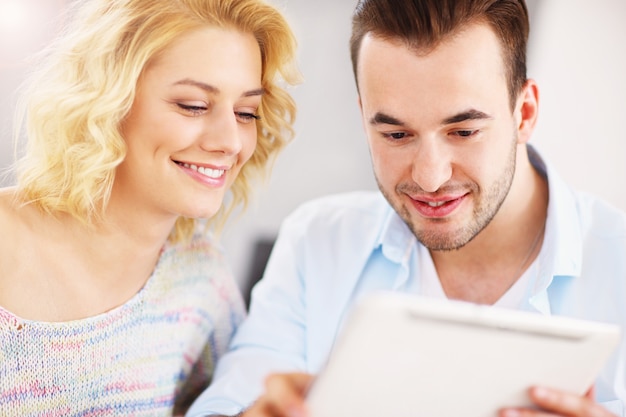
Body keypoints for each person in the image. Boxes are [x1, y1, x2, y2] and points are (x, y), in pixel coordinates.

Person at [186, 0, 626, 416]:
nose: (430, 178)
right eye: (396, 135)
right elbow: (228, 402)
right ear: (364, 119)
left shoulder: (617, 266)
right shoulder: (317, 244)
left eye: (464, 131)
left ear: (524, 112)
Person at [0, 0, 298, 415]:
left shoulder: (201, 277)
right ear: (106, 101)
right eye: (193, 105)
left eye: (246, 112)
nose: (230, 141)